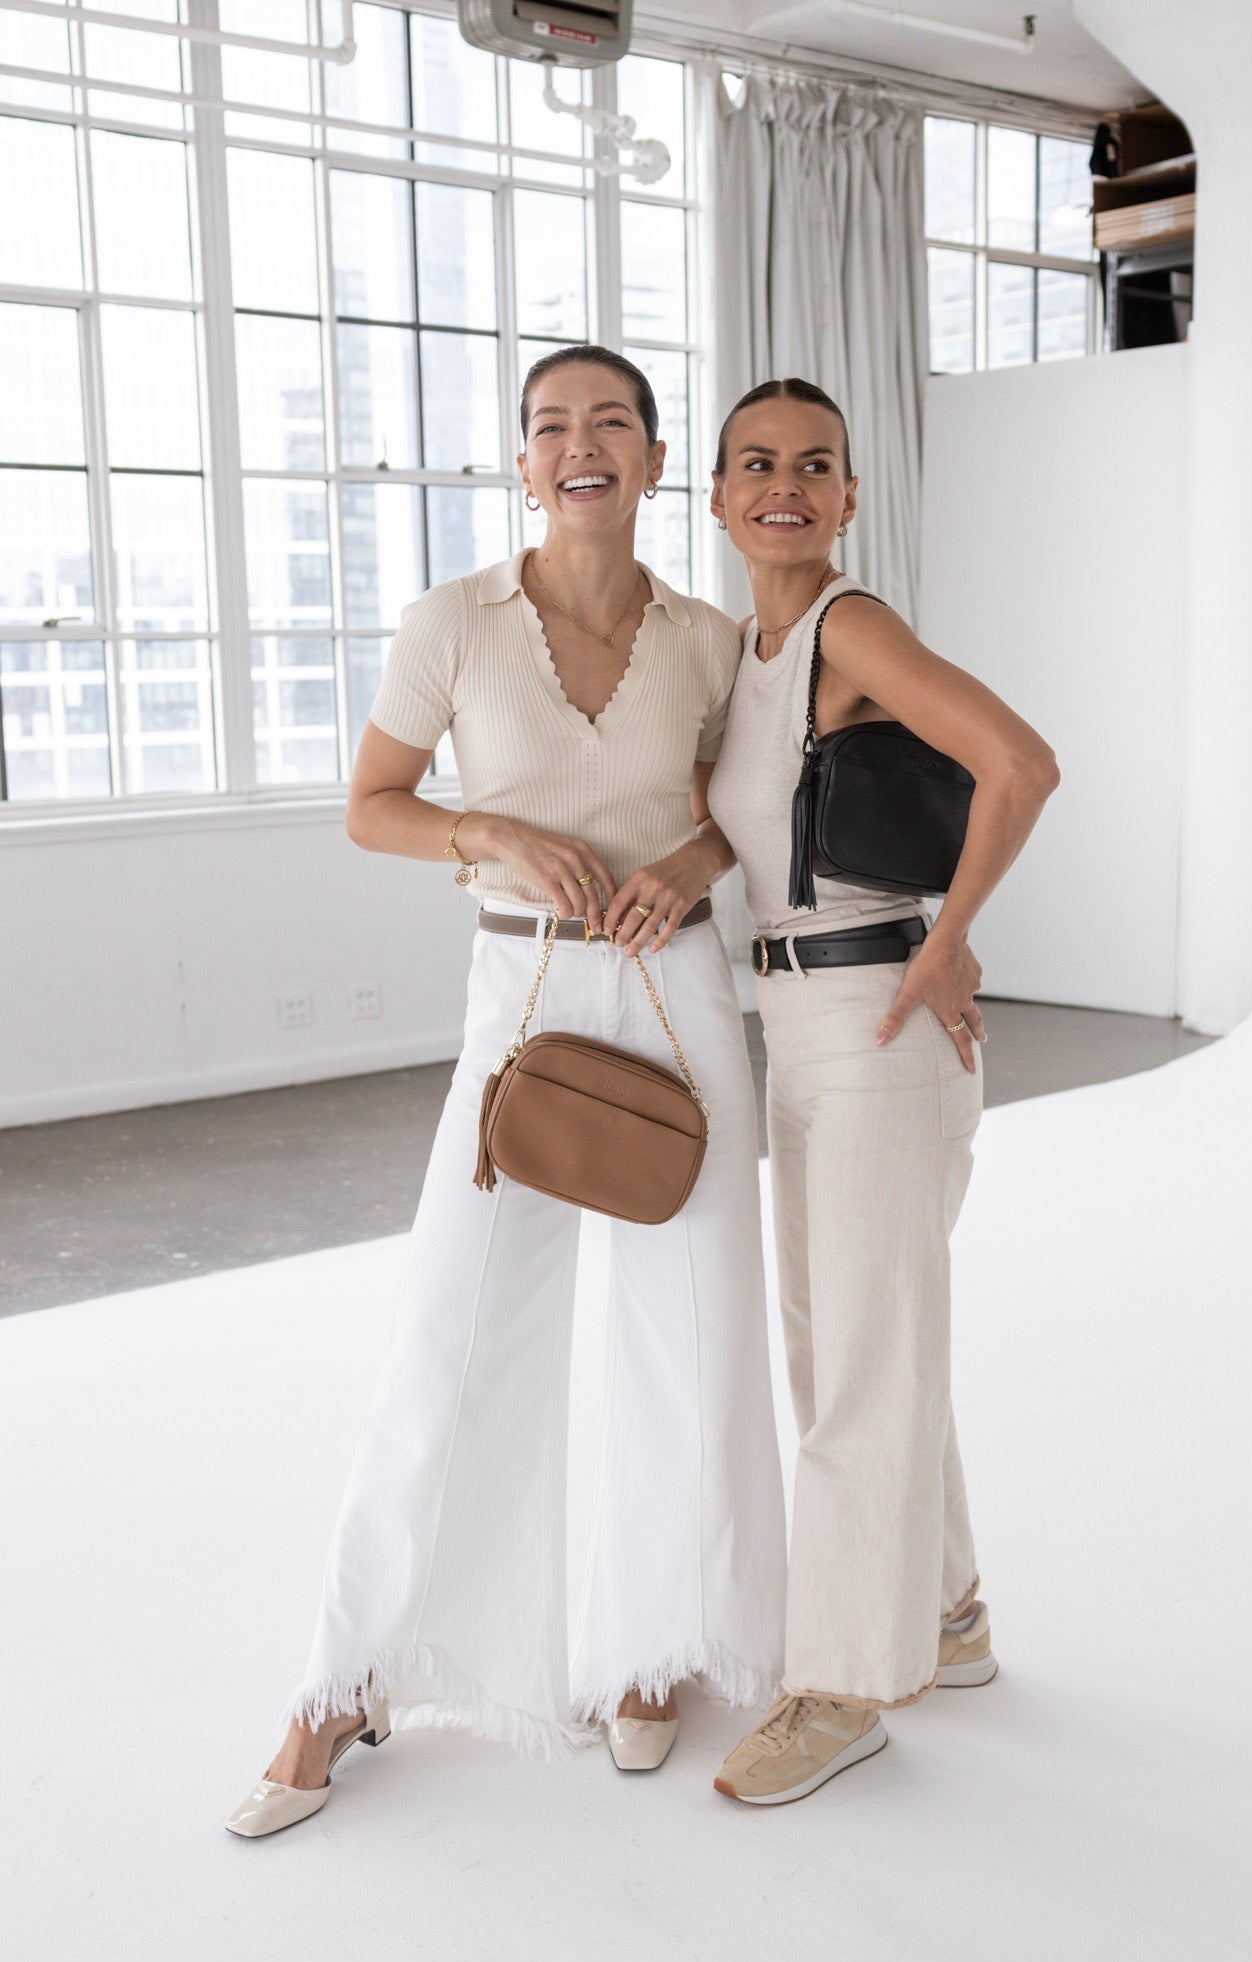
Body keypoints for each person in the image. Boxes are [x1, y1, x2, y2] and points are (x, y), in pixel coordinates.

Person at [226, 346, 787, 1838]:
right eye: (549, 427)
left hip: (676, 996)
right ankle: (347, 1679)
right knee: (458, 1333)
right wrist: (489, 835)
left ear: (657, 462)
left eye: (609, 421)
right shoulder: (449, 621)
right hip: (519, 999)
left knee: (690, 1331)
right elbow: (370, 807)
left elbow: (739, 814)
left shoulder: (709, 642)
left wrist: (682, 868)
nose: (577, 444)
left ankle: (651, 1651)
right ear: (522, 464)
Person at [705, 376, 1060, 1805]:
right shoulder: (744, 651)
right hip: (792, 1023)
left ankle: (842, 1683)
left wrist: (952, 936)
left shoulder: (846, 625)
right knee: (857, 1345)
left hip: (872, 1020)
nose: (784, 484)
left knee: (858, 1360)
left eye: (815, 465)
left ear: (849, 498)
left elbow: (1017, 764)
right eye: (756, 464)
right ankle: (948, 1614)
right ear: (717, 495)